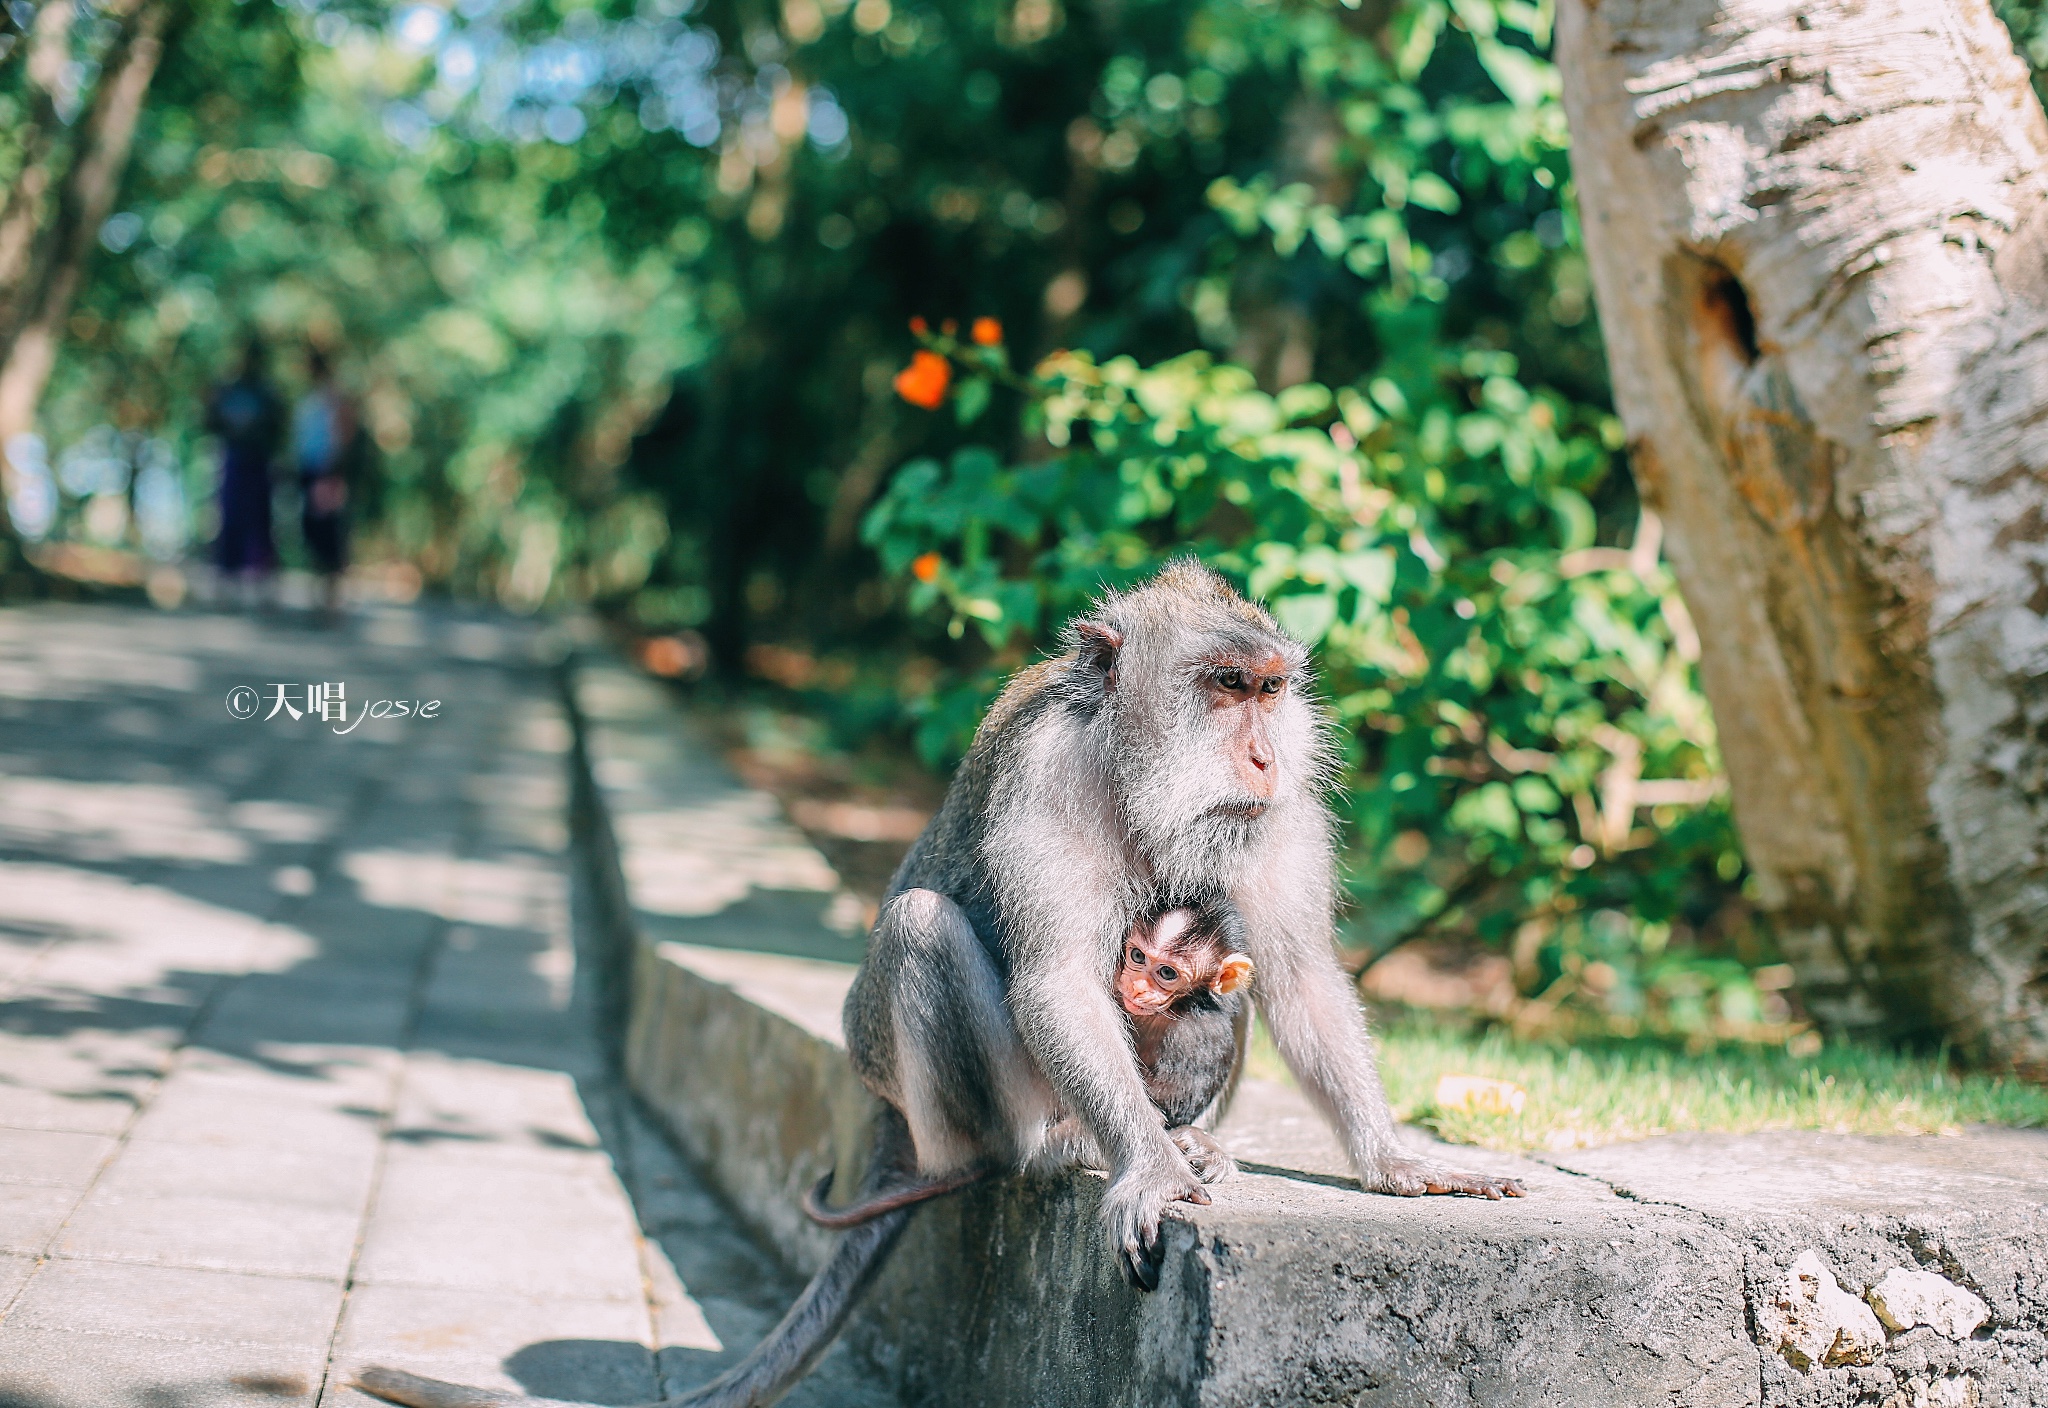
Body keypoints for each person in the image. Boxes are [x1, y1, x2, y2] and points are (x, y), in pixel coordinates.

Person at [206, 338, 284, 605]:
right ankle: (228, 580)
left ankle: (260, 583)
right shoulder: (230, 391)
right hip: (235, 459)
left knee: (259, 521)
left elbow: (278, 428)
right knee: (231, 518)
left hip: (258, 461)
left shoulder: (267, 393)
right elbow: (211, 422)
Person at [292, 347, 359, 621]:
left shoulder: (332, 397)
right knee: (314, 531)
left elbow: (344, 433)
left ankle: (332, 601)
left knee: (329, 532)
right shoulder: (310, 399)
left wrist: (335, 468)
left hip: (327, 472)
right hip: (310, 471)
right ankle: (320, 600)